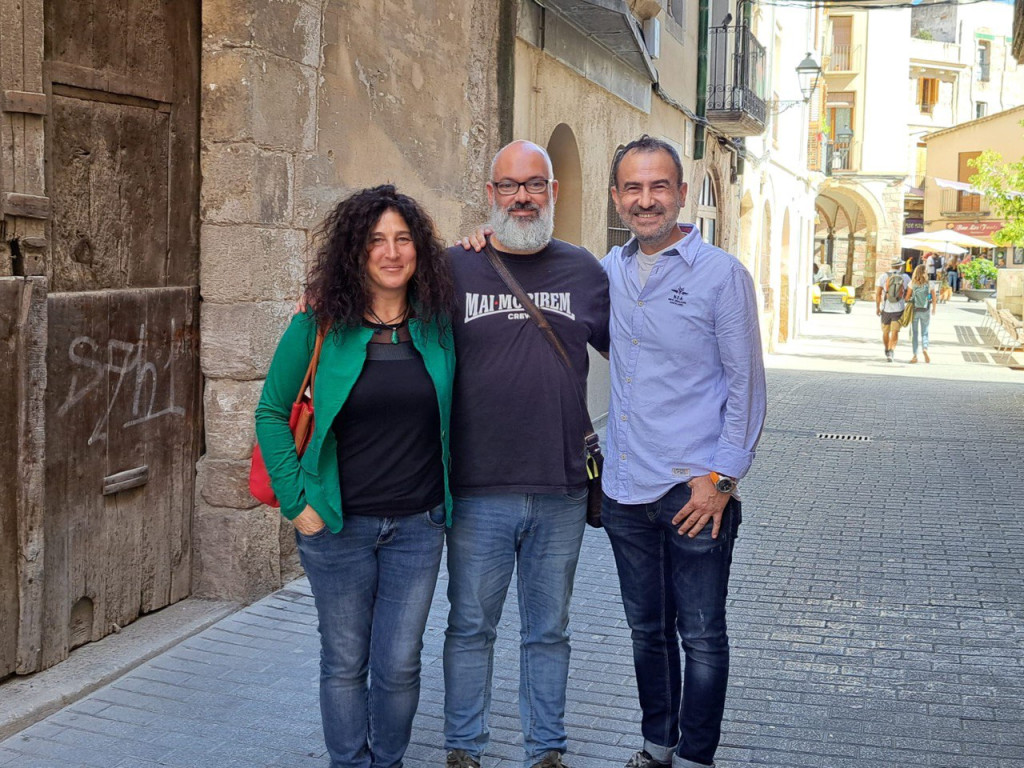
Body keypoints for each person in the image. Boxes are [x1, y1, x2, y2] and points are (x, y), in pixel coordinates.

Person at [254, 185, 456, 768]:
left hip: (419, 526)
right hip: (337, 526)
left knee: (399, 662)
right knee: (345, 660)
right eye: (375, 241)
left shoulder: (438, 326)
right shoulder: (319, 324)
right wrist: (296, 504)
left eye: (402, 239)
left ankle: (386, 760)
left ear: (419, 249)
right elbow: (272, 411)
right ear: (355, 251)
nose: (391, 252)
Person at [600, 135, 766, 768]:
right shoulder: (609, 271)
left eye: (658, 186)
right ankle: (655, 748)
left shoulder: (722, 276)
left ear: (681, 193)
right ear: (617, 197)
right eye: (634, 188)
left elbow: (747, 385)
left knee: (700, 635)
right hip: (623, 491)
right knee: (647, 633)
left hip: (693, 493)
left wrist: (721, 479)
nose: (647, 200)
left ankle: (696, 757)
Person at [443, 140, 610, 768]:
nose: (521, 196)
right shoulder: (453, 269)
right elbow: (384, 310)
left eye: (534, 184)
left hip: (562, 489)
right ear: (489, 195)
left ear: (553, 193)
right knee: (469, 629)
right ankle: (464, 748)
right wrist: (316, 307)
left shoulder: (585, 272)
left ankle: (546, 751)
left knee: (548, 633)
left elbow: (641, 360)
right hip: (478, 489)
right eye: (508, 186)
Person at [875, 259, 911, 362]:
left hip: (886, 308)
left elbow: (878, 294)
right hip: (899, 308)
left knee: (885, 332)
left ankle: (887, 349)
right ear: (900, 266)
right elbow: (909, 292)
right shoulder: (905, 277)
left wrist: (877, 307)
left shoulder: (883, 276)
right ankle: (891, 351)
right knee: (895, 331)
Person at [907, 263, 937, 363]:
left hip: (915, 310)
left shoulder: (912, 283)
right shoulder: (930, 284)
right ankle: (925, 348)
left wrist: (910, 299)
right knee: (925, 332)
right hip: (926, 310)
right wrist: (934, 309)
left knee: (915, 333)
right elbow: (934, 298)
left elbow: (907, 297)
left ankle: (915, 356)